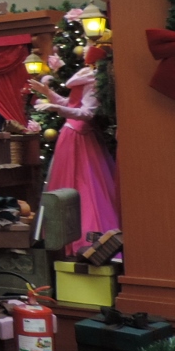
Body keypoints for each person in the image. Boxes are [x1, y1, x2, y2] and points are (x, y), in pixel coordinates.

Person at [29, 44, 120, 252]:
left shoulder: (96, 82)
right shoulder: (86, 77)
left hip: (80, 138)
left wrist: (56, 107)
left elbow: (87, 113)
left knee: (86, 187)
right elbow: (71, 105)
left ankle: (87, 239)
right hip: (71, 136)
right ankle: (64, 239)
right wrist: (49, 93)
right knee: (70, 186)